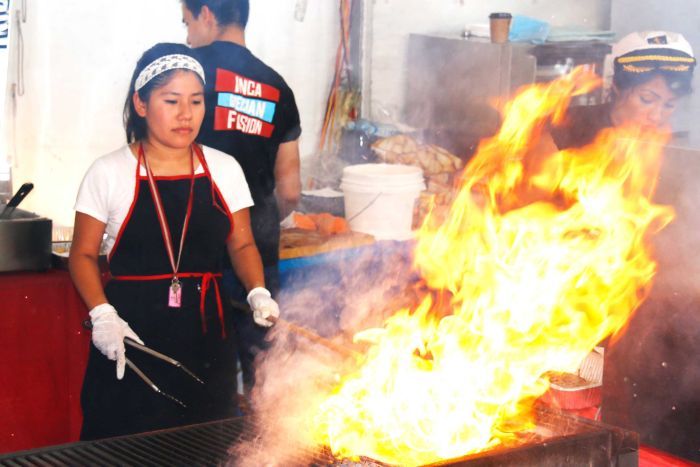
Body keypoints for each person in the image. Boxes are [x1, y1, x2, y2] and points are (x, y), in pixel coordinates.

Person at [69, 42, 280, 440]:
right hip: (131, 338)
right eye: (172, 100)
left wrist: (257, 292)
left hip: (206, 339)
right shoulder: (109, 172)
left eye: (197, 101)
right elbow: (81, 254)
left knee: (205, 446)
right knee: (124, 448)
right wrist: (102, 315)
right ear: (142, 104)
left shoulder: (223, 168)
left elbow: (243, 244)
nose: (186, 114)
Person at [180, 0, 302, 396]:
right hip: (257, 249)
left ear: (207, 16)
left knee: (198, 376)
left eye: (187, 21)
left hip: (193, 246)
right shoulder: (278, 87)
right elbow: (290, 190)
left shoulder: (186, 76)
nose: (186, 35)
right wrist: (256, 218)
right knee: (262, 371)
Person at [551, 30, 696, 150]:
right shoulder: (567, 125)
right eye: (647, 99)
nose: (656, 117)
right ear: (617, 87)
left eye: (669, 105)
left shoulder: (667, 142)